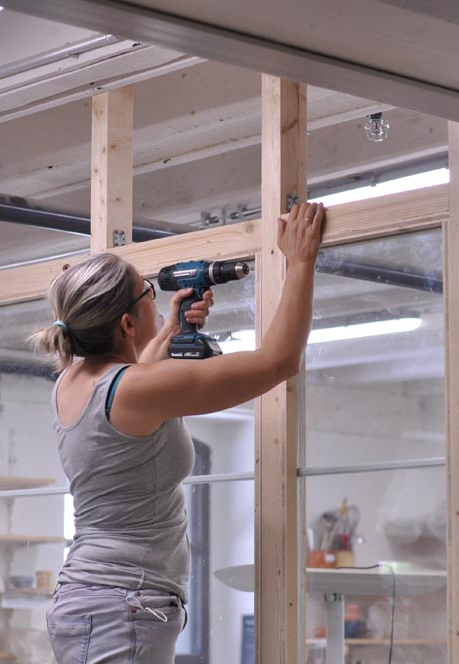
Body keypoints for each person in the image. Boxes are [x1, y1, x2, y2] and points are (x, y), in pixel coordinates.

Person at [28, 202, 325, 664]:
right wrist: (301, 262)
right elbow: (278, 362)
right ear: (127, 323)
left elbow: (134, 380)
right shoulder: (134, 389)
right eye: (146, 292)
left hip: (97, 597)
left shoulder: (72, 380)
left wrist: (168, 326)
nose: (154, 296)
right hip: (121, 604)